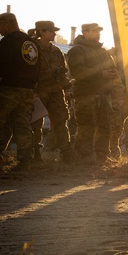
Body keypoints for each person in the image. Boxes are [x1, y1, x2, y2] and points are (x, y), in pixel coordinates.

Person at [0, 13, 40, 168]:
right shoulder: (31, 43)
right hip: (28, 90)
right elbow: (38, 67)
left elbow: (3, 67)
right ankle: (25, 159)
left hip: (8, 89)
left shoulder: (8, 41)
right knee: (22, 124)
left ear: (7, 24)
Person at [67, 23, 117, 163]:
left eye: (99, 31)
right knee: (86, 126)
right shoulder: (77, 50)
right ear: (85, 33)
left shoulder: (103, 51)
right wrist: (101, 74)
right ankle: (84, 156)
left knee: (105, 126)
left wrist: (112, 73)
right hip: (86, 95)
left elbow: (112, 67)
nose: (98, 33)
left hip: (104, 95)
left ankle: (102, 156)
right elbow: (78, 72)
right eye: (94, 31)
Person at [30, 20, 73, 161]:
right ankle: (34, 154)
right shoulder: (31, 49)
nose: (54, 33)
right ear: (41, 32)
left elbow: (62, 71)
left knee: (60, 121)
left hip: (55, 92)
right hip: (37, 91)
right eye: (51, 31)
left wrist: (66, 86)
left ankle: (66, 154)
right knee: (35, 124)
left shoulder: (56, 51)